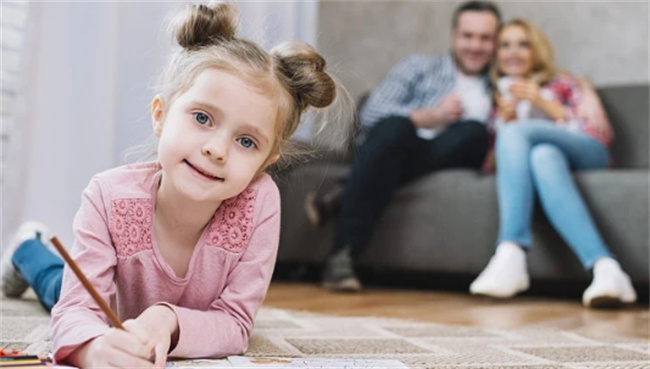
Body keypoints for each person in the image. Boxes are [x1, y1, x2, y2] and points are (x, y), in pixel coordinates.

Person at [0, 3, 342, 367]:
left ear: (266, 162)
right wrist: (93, 349)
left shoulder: (260, 201)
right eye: (202, 118)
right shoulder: (107, 195)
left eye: (246, 142)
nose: (216, 149)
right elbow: (76, 310)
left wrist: (167, 319)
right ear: (160, 116)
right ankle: (27, 250)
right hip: (112, 300)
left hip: (175, 321)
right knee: (57, 286)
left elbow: (237, 324)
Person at [320, 1, 501, 292]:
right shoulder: (419, 67)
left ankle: (347, 190)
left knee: (473, 132)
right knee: (397, 126)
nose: (475, 46)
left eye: (485, 38)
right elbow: (370, 113)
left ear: (495, 42)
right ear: (454, 35)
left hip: (449, 153)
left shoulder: (500, 85)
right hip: (392, 147)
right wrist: (432, 116)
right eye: (468, 36)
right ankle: (341, 257)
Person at [469, 19, 637, 308]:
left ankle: (511, 249)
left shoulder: (564, 84)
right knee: (543, 156)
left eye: (523, 44)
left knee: (522, 136)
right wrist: (505, 123)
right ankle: (606, 269)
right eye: (505, 45)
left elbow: (596, 133)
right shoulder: (499, 102)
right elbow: (497, 166)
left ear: (537, 50)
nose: (513, 52)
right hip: (552, 161)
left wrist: (544, 104)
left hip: (588, 152)